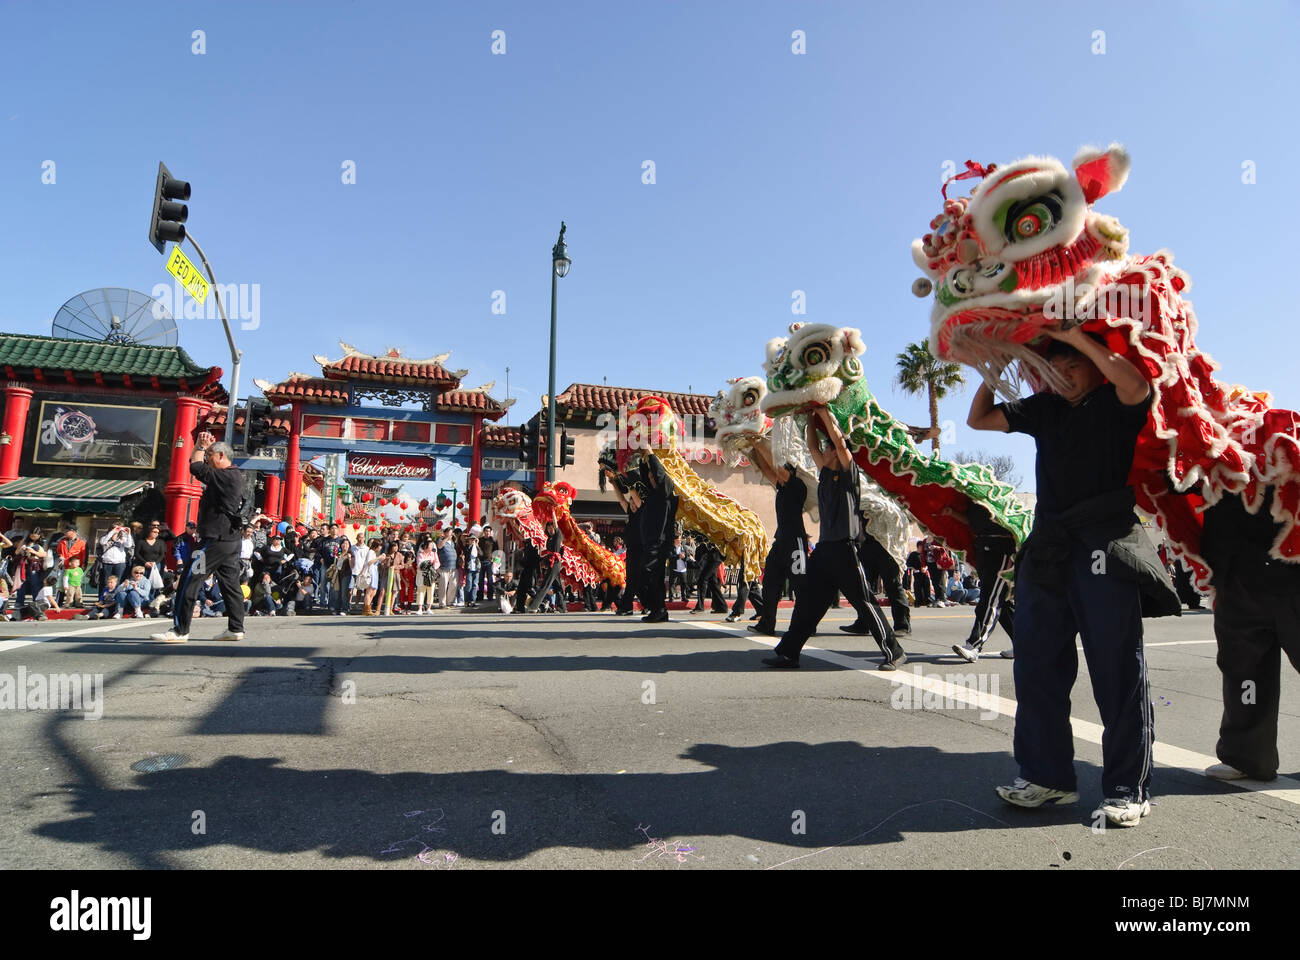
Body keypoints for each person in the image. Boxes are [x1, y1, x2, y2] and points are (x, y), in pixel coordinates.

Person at [967, 327, 1177, 827]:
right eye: (1052, 370)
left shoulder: (1114, 403)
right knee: (1036, 664)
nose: (1062, 377)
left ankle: (1128, 787)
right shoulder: (1043, 409)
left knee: (1116, 667)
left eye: (1072, 367)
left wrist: (1074, 337)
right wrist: (991, 375)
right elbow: (977, 420)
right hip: (1048, 549)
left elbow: (1137, 387)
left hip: (1104, 541)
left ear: (1091, 366)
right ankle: (1047, 778)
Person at [763, 408, 906, 671]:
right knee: (808, 601)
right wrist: (808, 417)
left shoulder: (849, 474)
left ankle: (894, 651)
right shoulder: (825, 474)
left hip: (845, 549)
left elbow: (840, 442)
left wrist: (823, 411)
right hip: (825, 551)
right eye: (826, 449)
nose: (825, 451)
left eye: (830, 449)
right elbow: (811, 446)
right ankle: (789, 653)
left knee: (864, 601)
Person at [1199, 487, 1300, 783]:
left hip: (1293, 557)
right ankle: (1247, 755)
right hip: (1237, 561)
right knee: (1244, 669)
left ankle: (1246, 754)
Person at [152, 432, 248, 643]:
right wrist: (201, 449)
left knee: (188, 579)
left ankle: (180, 630)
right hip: (229, 541)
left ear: (221, 456)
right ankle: (235, 628)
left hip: (214, 539)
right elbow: (198, 465)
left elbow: (196, 467)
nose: (207, 458)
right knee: (230, 584)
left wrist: (199, 445)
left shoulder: (226, 475)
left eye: (210, 455)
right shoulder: (234, 476)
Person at [746, 444, 810, 639]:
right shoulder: (781, 488)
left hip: (795, 541)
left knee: (800, 586)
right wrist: (753, 447)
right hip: (780, 540)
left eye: (783, 470)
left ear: (790, 471)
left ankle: (807, 624)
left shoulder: (798, 486)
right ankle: (767, 623)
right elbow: (767, 470)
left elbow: (775, 469)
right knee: (771, 583)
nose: (778, 474)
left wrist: (758, 442)